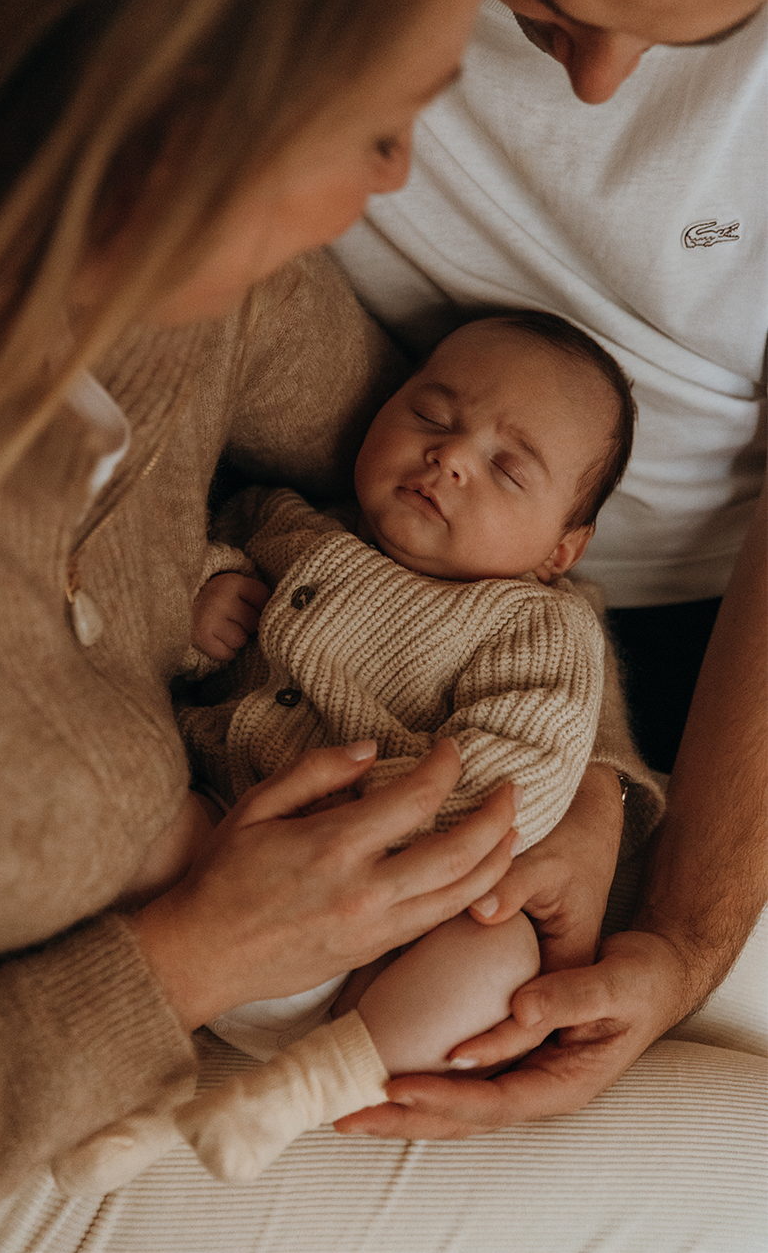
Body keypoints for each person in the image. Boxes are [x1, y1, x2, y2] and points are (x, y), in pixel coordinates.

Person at [0, 0, 764, 1253]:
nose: (394, 190)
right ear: (190, 114)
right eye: (378, 127)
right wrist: (189, 960)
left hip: (275, 927)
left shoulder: (215, 306)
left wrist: (585, 791)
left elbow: (485, 547)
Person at [330, 0, 768, 1154]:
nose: (597, 81)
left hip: (703, 622)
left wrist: (678, 932)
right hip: (346, 517)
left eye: (691, 35)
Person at [52, 308, 664, 1195]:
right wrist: (202, 600)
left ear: (559, 550)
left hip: (385, 928)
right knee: (126, 817)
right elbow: (156, 579)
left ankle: (297, 1090)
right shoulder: (283, 523)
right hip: (214, 851)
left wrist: (363, 821)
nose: (451, 458)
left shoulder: (539, 623)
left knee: (496, 967)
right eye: (433, 416)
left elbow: (522, 769)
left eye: (505, 468)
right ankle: (139, 1083)